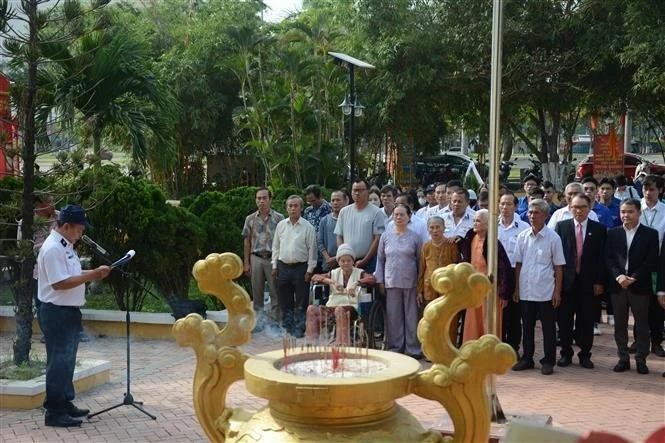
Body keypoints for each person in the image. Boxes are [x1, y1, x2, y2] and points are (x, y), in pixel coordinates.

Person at [37, 204, 111, 427]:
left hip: (68, 312)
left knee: (67, 360)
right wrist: (92, 276)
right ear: (66, 226)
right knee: (58, 362)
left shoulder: (65, 245)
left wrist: (95, 272)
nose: (81, 234)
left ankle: (65, 402)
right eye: (79, 230)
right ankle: (54, 411)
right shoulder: (52, 249)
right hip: (56, 312)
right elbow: (59, 283)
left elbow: (72, 274)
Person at [512, 199, 566, 376]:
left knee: (548, 328)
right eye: (530, 212)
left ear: (545, 215)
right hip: (526, 290)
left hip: (546, 291)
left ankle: (548, 360)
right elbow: (518, 264)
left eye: (536, 213)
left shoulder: (553, 238)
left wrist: (557, 292)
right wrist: (517, 289)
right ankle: (527, 358)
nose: (532, 216)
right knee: (526, 327)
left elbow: (559, 267)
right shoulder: (522, 236)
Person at [605, 199, 659, 374]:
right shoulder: (612, 233)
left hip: (639, 285)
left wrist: (634, 277)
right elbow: (608, 258)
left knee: (642, 324)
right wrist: (619, 276)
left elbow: (650, 260)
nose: (625, 215)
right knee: (619, 324)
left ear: (639, 213)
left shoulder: (650, 234)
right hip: (618, 285)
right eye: (622, 212)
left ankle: (641, 359)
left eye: (630, 212)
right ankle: (623, 358)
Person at [554, 194, 607, 369]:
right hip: (567, 283)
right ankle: (566, 354)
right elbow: (555, 257)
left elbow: (602, 259)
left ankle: (585, 355)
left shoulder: (598, 229)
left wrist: (599, 281)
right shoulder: (561, 227)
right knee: (565, 321)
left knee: (586, 320)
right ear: (570, 208)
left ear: (589, 207)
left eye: (582, 207)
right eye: (575, 207)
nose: (578, 211)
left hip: (589, 284)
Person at [375, 204, 423, 358]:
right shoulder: (385, 236)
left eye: (402, 215)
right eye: (396, 214)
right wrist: (380, 281)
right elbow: (380, 260)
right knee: (393, 316)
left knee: (411, 316)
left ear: (409, 217)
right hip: (391, 281)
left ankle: (413, 348)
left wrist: (420, 284)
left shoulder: (415, 237)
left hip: (410, 281)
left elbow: (420, 261)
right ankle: (396, 348)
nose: (399, 217)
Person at [459, 209, 514, 343]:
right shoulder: (470, 237)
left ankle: (489, 353)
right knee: (472, 323)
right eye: (474, 220)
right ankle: (471, 350)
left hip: (490, 290)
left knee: (489, 323)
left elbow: (504, 269)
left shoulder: (494, 243)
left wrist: (504, 294)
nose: (474, 223)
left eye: (478, 221)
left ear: (487, 224)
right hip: (473, 289)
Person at [306, 244, 374, 345]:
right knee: (311, 309)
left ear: (353, 261)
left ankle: (342, 345)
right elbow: (314, 277)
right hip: (332, 307)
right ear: (338, 262)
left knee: (340, 310)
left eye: (349, 260)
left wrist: (356, 283)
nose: (346, 263)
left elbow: (372, 279)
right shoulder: (334, 273)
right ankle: (312, 344)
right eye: (343, 261)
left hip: (351, 307)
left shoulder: (359, 272)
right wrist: (331, 282)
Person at [272, 195, 317, 338]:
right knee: (285, 301)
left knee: (301, 301)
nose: (292, 208)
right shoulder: (281, 225)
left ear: (301, 208)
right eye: (290, 206)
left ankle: (299, 329)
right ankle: (288, 328)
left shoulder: (307, 227)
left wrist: (310, 270)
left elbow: (312, 250)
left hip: (301, 268)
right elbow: (276, 247)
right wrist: (274, 266)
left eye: (295, 206)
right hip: (283, 267)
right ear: (286, 208)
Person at [242, 188, 284, 332]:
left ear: (270, 200)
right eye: (258, 198)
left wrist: (279, 262)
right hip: (256, 258)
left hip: (273, 258)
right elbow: (246, 241)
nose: (261, 201)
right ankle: (258, 323)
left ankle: (275, 323)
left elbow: (283, 240)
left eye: (264, 198)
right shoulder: (250, 219)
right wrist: (246, 262)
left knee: (275, 293)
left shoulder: (279, 218)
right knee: (257, 293)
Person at [497, 193, 530, 353]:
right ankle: (498, 347)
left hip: (516, 273)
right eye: (502, 204)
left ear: (516, 207)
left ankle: (513, 348)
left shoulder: (524, 227)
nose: (505, 207)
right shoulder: (492, 226)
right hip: (497, 276)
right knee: (498, 314)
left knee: (514, 315)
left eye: (509, 204)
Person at [638, 175, 665, 357]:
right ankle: (638, 340)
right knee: (637, 304)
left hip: (658, 265)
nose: (648, 193)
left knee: (656, 305)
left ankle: (656, 341)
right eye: (645, 189)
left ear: (660, 190)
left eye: (652, 189)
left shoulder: (664, 211)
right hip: (636, 264)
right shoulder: (633, 207)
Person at [335, 179, 385, 273]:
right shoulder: (344, 212)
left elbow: (377, 238)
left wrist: (365, 260)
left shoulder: (376, 212)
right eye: (355, 190)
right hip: (347, 263)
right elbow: (339, 236)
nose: (357, 193)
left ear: (367, 192)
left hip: (369, 262)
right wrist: (343, 255)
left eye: (361, 190)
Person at [318, 190, 347, 272]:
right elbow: (320, 242)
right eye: (333, 200)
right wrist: (328, 258)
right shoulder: (324, 220)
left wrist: (337, 258)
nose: (335, 203)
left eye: (338, 200)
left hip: (347, 262)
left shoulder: (350, 219)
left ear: (345, 201)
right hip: (329, 264)